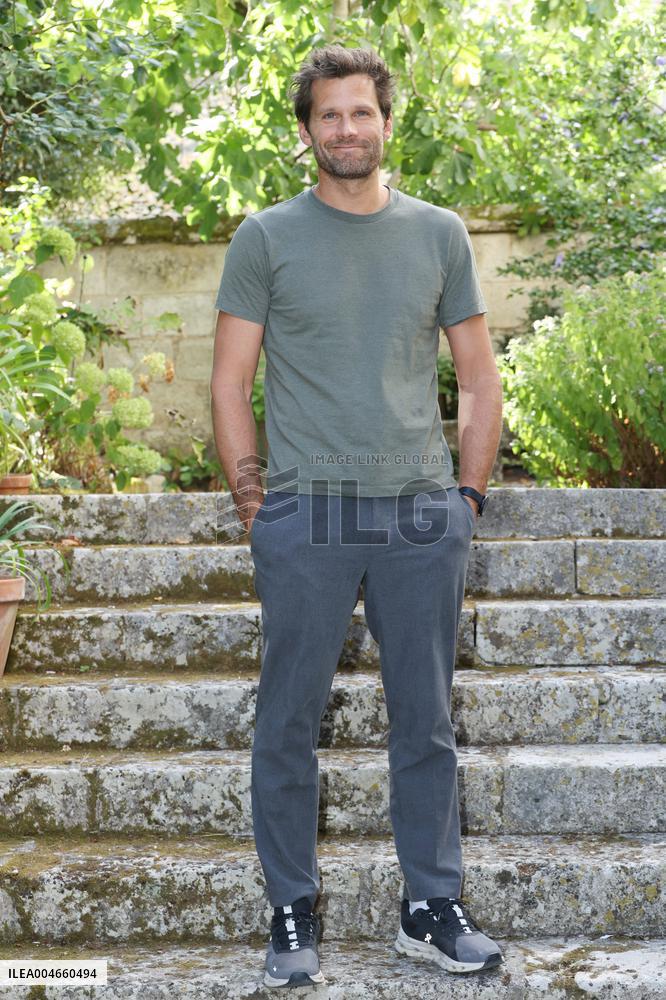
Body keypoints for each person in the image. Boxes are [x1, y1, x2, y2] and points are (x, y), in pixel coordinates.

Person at [210, 43, 505, 989]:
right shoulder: (265, 238)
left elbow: (477, 374)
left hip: (421, 514)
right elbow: (228, 381)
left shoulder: (439, 234)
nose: (347, 129)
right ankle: (291, 911)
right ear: (307, 132)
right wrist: (256, 503)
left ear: (386, 122)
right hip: (307, 516)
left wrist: (466, 499)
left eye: (361, 113)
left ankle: (430, 907)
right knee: (287, 720)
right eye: (329, 116)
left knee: (425, 723)